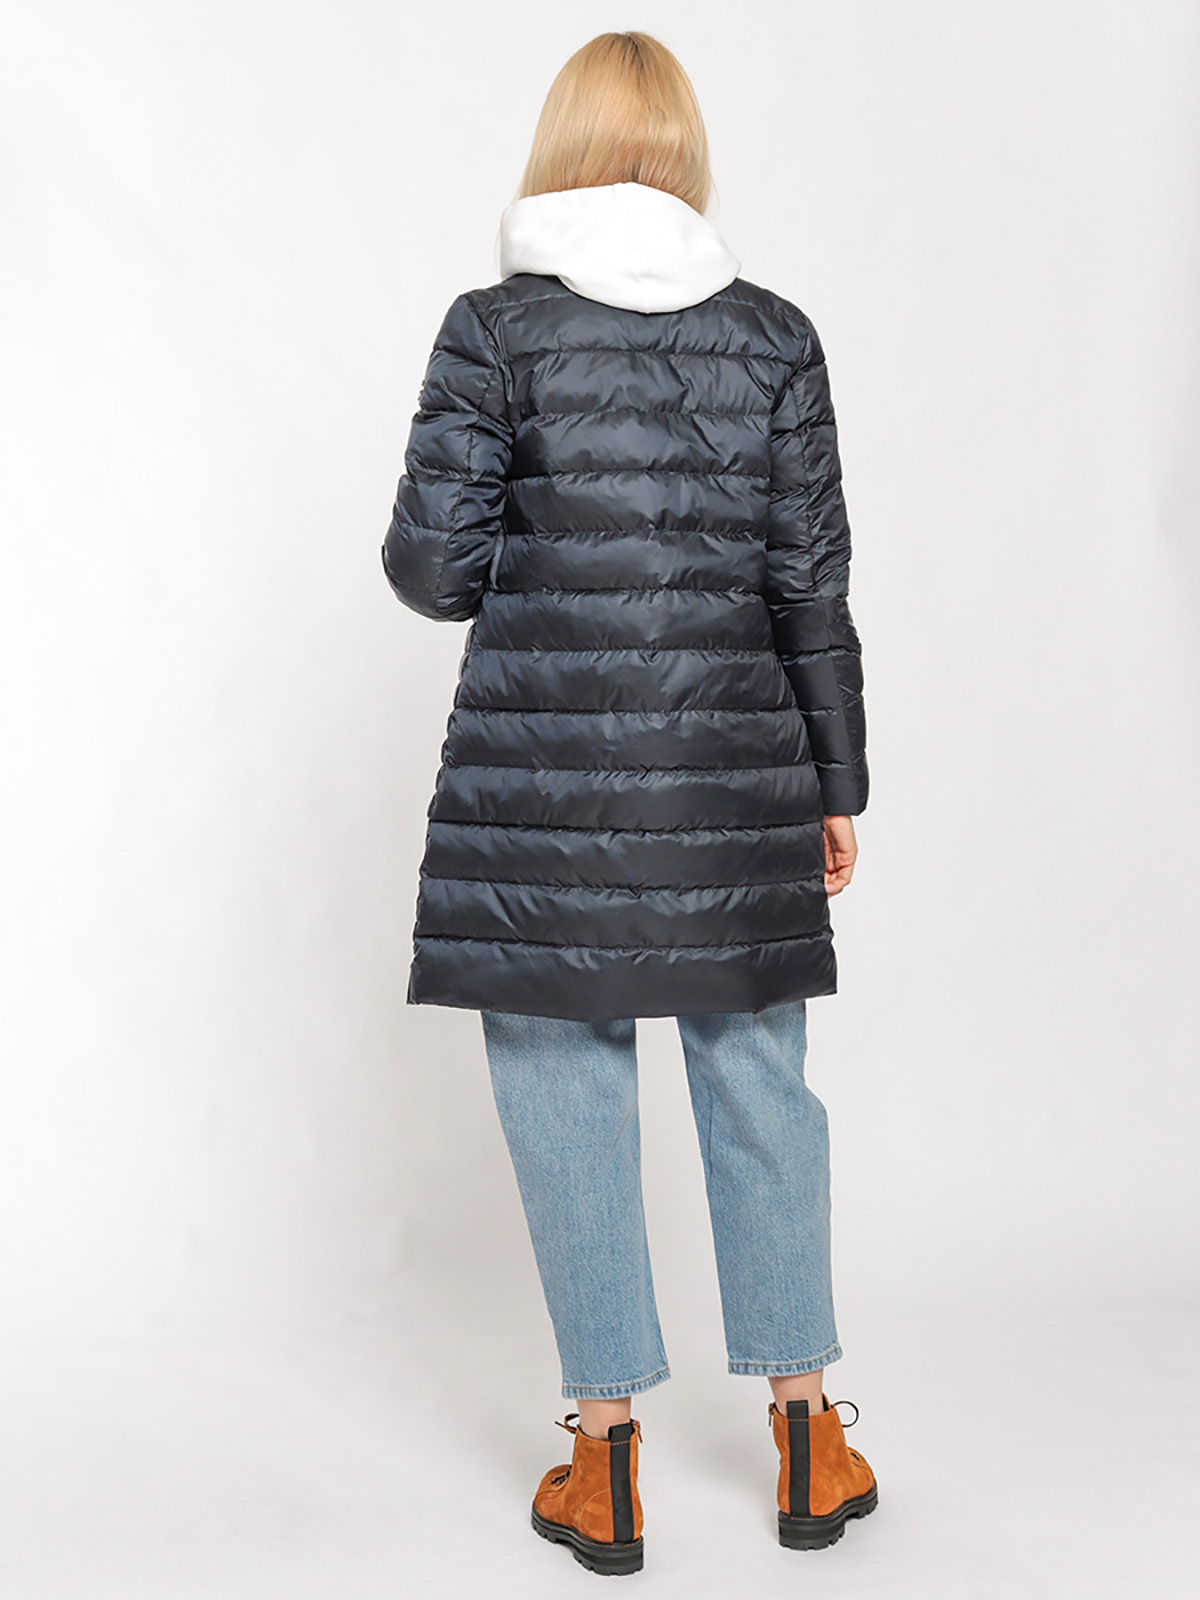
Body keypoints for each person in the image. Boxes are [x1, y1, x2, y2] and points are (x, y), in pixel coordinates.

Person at [381, 29, 876, 1577]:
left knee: (563, 1091)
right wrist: (837, 785)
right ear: (684, 153)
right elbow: (811, 589)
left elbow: (433, 574)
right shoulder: (776, 338)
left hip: (541, 798)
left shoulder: (494, 332)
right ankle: (810, 1432)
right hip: (740, 778)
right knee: (761, 1088)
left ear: (560, 146)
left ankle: (602, 1463)